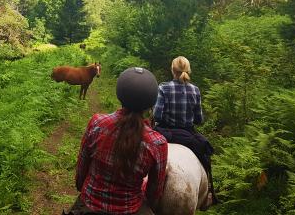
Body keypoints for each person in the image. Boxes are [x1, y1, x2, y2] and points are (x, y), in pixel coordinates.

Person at [66, 67, 167, 215]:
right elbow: (154, 193)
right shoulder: (158, 143)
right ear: (150, 104)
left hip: (91, 202)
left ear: (120, 95)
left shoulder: (96, 123)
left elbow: (80, 173)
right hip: (130, 209)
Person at [153, 56, 218, 205]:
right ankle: (209, 193)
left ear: (172, 70)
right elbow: (199, 119)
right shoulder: (195, 90)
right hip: (187, 134)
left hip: (164, 131)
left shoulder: (163, 87)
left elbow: (157, 115)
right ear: (188, 70)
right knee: (206, 154)